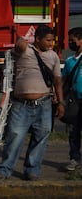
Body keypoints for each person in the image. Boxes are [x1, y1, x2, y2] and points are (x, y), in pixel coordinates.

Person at [0, 25, 64, 181]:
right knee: (15, 136)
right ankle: (4, 169)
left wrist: (60, 102)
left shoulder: (53, 56)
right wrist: (20, 42)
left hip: (44, 104)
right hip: (21, 105)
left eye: (52, 41)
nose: (50, 44)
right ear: (37, 39)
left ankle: (32, 170)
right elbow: (17, 47)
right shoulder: (24, 50)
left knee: (41, 137)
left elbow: (58, 81)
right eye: (48, 40)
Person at [62, 27, 82, 171]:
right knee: (74, 133)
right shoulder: (69, 61)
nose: (70, 43)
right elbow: (63, 81)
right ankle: (75, 159)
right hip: (75, 102)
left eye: (73, 40)